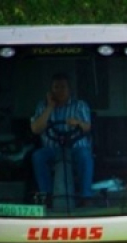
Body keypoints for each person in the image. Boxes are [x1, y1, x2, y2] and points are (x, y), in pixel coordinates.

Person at [30, 73, 94, 206]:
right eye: (56, 87)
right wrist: (50, 107)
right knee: (37, 156)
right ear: (51, 90)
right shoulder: (42, 106)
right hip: (52, 149)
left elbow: (87, 127)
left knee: (86, 155)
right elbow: (36, 129)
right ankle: (46, 196)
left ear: (69, 89)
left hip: (76, 148)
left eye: (63, 87)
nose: (59, 90)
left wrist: (77, 123)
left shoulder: (80, 105)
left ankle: (86, 196)